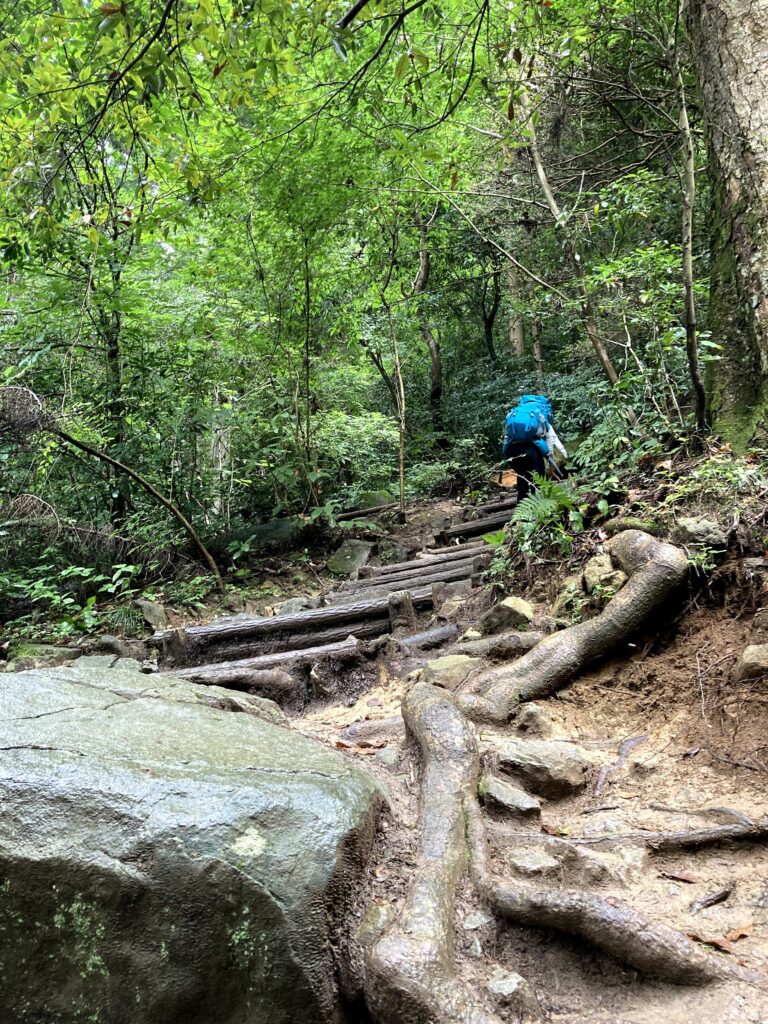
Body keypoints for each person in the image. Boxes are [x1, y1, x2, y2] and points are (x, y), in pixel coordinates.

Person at [502, 394, 567, 501]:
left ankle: (522, 509)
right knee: (538, 480)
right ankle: (540, 508)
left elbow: (507, 436)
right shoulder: (540, 414)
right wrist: (551, 469)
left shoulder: (516, 414)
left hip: (511, 450)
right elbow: (550, 445)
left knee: (522, 477)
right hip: (530, 450)